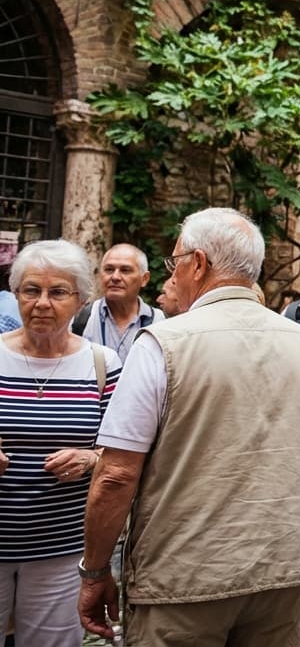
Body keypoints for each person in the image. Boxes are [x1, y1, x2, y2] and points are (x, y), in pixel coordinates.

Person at [77, 208, 300, 645]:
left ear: (198, 264)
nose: (173, 275)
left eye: (175, 263)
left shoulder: (161, 344)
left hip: (184, 578)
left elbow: (117, 474)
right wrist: (299, 540)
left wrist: (95, 569)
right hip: (284, 572)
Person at [0, 240, 122, 646]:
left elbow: (123, 450)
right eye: (31, 290)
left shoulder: (103, 364)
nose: (42, 303)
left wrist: (90, 457)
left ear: (81, 300)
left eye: (57, 292)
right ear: (16, 294)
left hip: (63, 547)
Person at [73, 243, 164, 363]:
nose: (115, 277)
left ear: (144, 278)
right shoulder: (83, 317)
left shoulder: (158, 321)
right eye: (109, 269)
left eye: (125, 270)